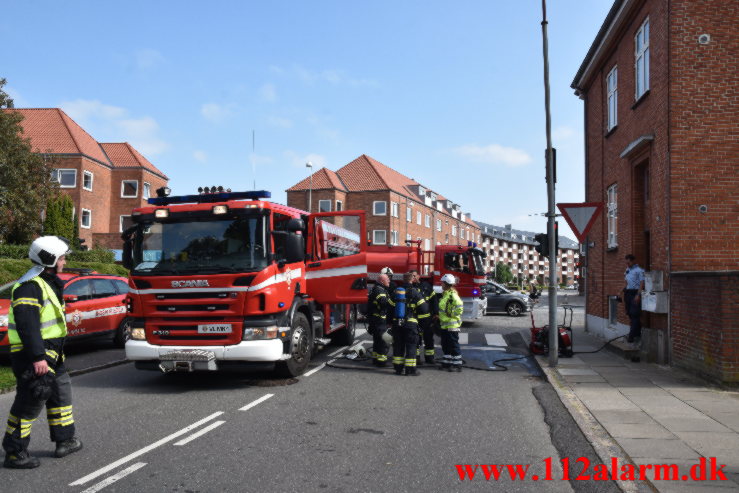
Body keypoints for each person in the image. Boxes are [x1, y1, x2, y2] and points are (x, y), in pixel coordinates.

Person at [3, 236, 83, 469]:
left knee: (60, 395)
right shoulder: (30, 286)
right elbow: (28, 326)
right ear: (50, 260)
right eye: (61, 257)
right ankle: (15, 452)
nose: (64, 261)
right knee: (30, 401)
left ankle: (65, 440)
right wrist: (38, 357)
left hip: (53, 354)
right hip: (34, 356)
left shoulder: (46, 282)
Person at [388, 272, 424, 376]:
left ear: (403, 279)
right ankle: (410, 370)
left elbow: (389, 309)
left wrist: (389, 323)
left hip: (397, 324)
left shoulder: (396, 292)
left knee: (398, 346)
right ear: (412, 279)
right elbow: (424, 309)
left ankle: (398, 369)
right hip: (411, 325)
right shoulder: (415, 292)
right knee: (411, 346)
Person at [410, 269, 437, 365]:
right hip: (415, 319)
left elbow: (434, 301)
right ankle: (416, 358)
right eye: (411, 276)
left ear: (418, 276)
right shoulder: (409, 288)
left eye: (414, 275)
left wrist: (436, 313)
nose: (413, 277)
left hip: (427, 319)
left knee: (429, 338)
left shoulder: (426, 286)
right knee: (416, 339)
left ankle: (430, 358)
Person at [438, 273, 464, 372]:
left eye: (442, 283)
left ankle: (457, 365)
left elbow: (459, 308)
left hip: (452, 325)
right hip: (445, 325)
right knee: (445, 344)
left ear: (446, 283)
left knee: (453, 344)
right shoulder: (446, 294)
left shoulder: (452, 295)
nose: (441, 284)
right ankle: (447, 362)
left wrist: (451, 313)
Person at [368, 274, 391, 367]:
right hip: (380, 320)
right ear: (382, 281)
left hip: (376, 320)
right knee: (382, 341)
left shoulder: (379, 288)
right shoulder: (379, 290)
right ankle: (381, 361)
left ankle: (376, 359)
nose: (389, 281)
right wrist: (392, 301)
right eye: (387, 280)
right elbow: (383, 302)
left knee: (377, 340)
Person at [623, 254, 645, 346]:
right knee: (630, 313)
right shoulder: (627, 270)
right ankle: (637, 333)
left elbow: (642, 283)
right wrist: (621, 291)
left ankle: (631, 336)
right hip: (628, 293)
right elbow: (626, 282)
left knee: (635, 313)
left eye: (628, 262)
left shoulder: (639, 271)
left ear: (632, 261)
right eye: (626, 262)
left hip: (635, 293)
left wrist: (638, 295)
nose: (627, 264)